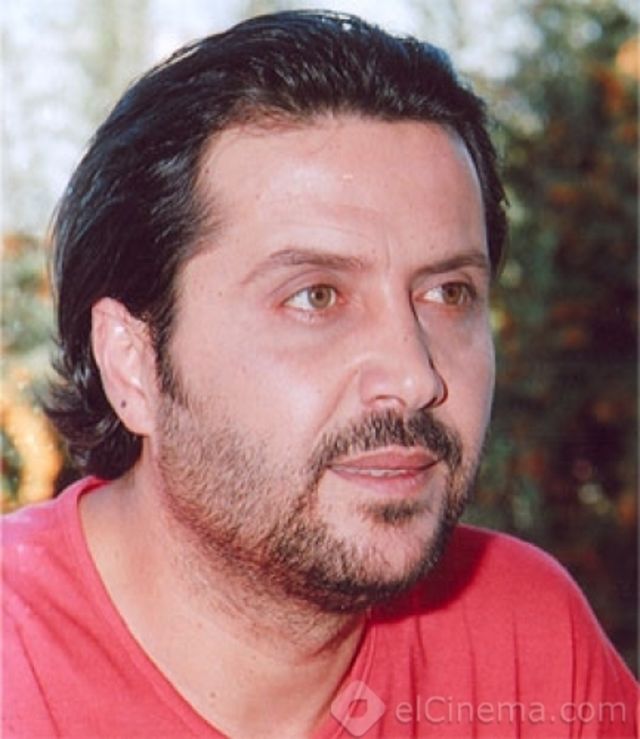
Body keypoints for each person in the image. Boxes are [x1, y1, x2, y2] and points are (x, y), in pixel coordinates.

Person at [2, 10, 636, 738]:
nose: (414, 377)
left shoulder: (526, 648)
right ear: (132, 362)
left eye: (448, 293)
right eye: (316, 297)